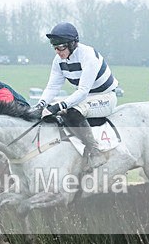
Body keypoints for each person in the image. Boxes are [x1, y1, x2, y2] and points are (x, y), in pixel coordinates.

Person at [33, 22, 122, 170]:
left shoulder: (88, 56)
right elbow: (53, 86)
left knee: (72, 112)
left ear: (73, 43)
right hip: (86, 98)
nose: (58, 52)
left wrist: (58, 105)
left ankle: (94, 151)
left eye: (61, 47)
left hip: (105, 97)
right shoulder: (59, 61)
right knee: (54, 113)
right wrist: (40, 105)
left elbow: (82, 91)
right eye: (55, 47)